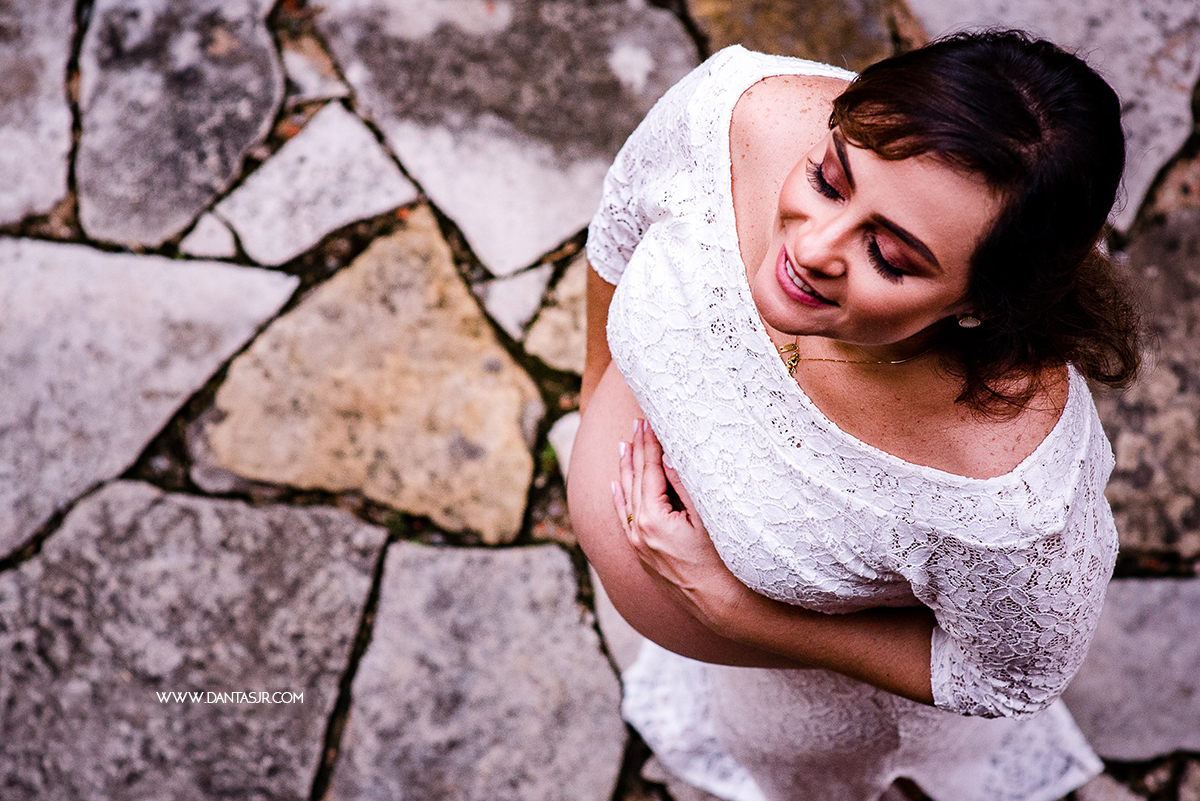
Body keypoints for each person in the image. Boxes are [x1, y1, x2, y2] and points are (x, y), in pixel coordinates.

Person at [565, 29, 1141, 801]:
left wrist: (741, 613)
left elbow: (1008, 676)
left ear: (981, 304)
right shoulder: (739, 114)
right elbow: (621, 223)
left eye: (891, 257)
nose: (814, 246)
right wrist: (595, 389)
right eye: (830, 178)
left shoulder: (1008, 496)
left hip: (807, 707)